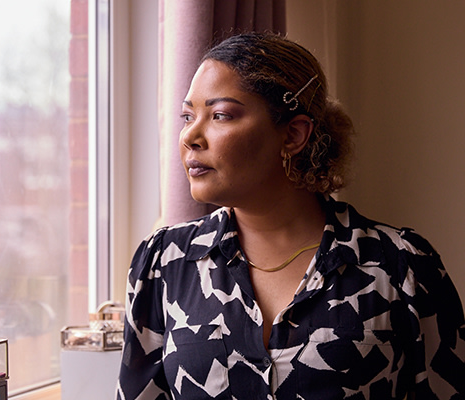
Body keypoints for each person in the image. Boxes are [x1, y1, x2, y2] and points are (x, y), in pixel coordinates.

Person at [116, 32, 465, 399]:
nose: (190, 136)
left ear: (294, 134)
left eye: (219, 115)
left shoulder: (402, 267)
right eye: (188, 116)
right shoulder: (164, 262)